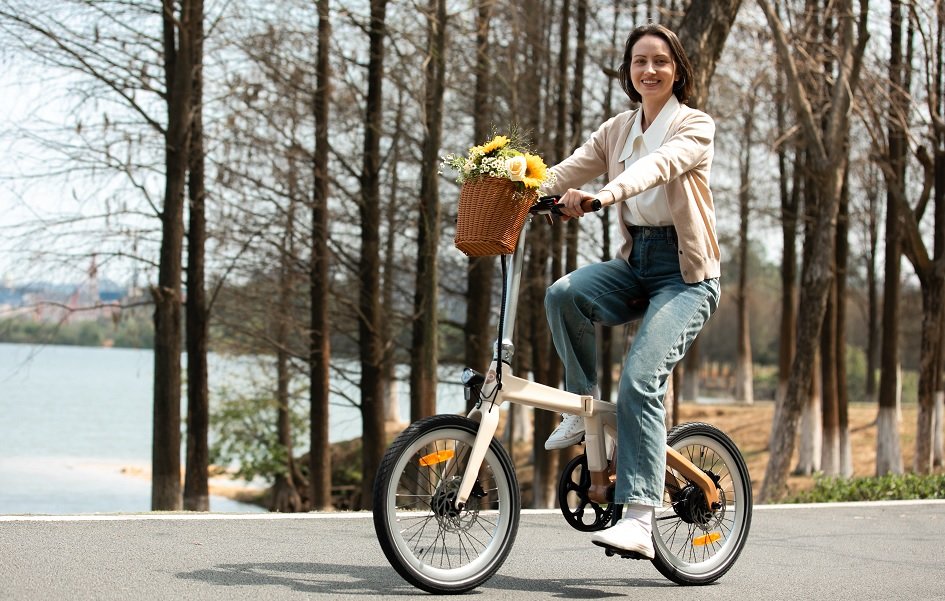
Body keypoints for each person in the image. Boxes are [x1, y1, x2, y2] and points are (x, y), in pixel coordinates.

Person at [540, 23, 720, 559]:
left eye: (661, 61)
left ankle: (641, 517)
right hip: (636, 263)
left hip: (686, 275)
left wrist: (604, 196)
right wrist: (516, 188)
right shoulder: (617, 129)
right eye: (640, 61)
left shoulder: (695, 126)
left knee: (640, 381)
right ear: (628, 72)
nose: (649, 70)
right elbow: (566, 169)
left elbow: (656, 168)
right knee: (563, 294)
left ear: (677, 70)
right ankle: (581, 403)